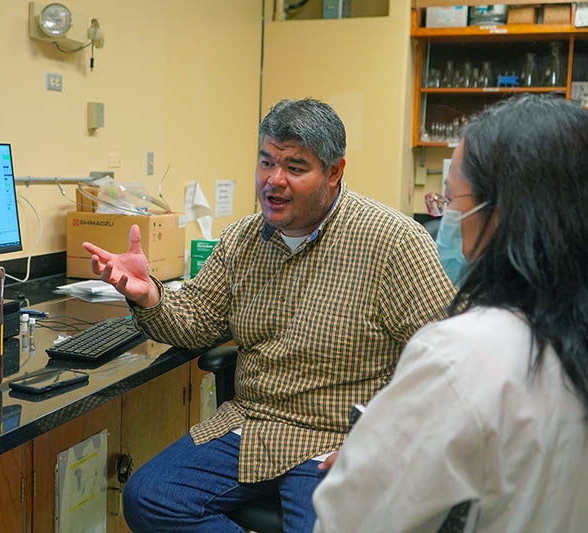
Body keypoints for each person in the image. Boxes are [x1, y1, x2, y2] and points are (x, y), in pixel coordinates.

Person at [83, 98, 455, 531]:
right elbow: (199, 319)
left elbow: (444, 357)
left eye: (295, 168)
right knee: (150, 498)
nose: (273, 181)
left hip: (335, 437)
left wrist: (382, 439)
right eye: (266, 162)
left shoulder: (393, 242)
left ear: (334, 172)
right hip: (253, 423)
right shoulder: (243, 239)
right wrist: (149, 296)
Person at [312, 94, 588, 532]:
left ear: (501, 214)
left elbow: (350, 521)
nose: (448, 216)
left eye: (452, 197)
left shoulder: (461, 354)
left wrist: (377, 448)